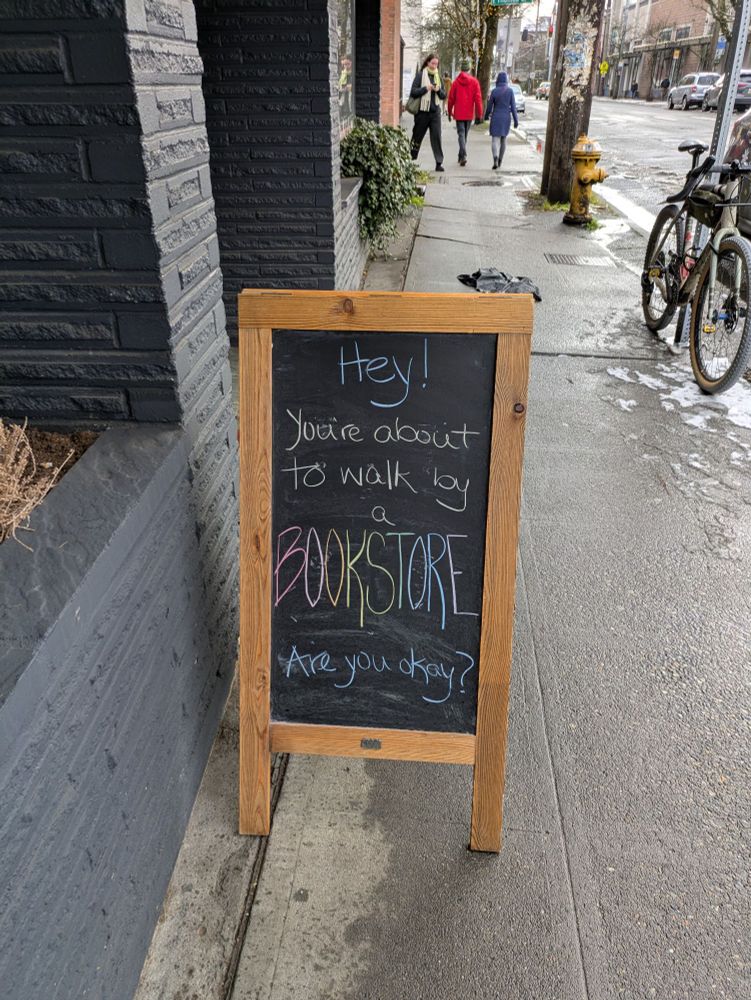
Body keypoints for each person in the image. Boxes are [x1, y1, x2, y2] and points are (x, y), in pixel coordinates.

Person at [410, 54, 447, 172]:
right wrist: (426, 88)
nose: (434, 65)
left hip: (435, 112)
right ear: (427, 63)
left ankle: (438, 163)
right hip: (422, 112)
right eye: (432, 63)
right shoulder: (421, 75)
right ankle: (410, 160)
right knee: (417, 136)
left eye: (436, 64)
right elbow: (413, 92)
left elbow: (443, 95)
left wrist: (438, 90)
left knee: (436, 137)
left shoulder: (438, 77)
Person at [447, 58, 483, 167]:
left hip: (459, 113)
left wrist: (449, 112)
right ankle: (463, 155)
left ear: (461, 69)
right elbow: (478, 99)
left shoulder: (456, 83)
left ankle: (461, 155)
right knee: (464, 135)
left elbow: (451, 99)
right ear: (469, 69)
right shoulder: (474, 82)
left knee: (461, 135)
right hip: (468, 114)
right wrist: (479, 114)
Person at [485, 71, 518, 170]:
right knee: (503, 140)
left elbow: (490, 106)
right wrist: (516, 121)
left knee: (495, 139)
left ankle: (495, 158)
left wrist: (486, 116)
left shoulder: (494, 91)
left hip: (496, 117)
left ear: (498, 80)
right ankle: (500, 160)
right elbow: (513, 108)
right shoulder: (510, 91)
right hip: (506, 117)